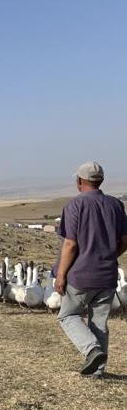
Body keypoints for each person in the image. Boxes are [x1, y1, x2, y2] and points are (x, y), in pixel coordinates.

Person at [54, 161, 127, 377]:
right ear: (100, 181)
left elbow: (70, 244)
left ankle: (92, 350)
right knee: (99, 323)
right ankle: (99, 371)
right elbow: (125, 240)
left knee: (67, 316)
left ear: (79, 181)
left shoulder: (74, 206)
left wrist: (60, 274)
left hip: (81, 274)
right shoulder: (116, 205)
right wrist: (110, 255)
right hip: (107, 274)